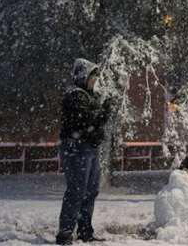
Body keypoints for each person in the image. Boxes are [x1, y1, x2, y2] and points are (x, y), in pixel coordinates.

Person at [56, 59, 112, 244]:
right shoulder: (75, 95)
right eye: (92, 75)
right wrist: (102, 113)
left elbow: (96, 122)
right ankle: (65, 233)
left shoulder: (90, 96)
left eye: (96, 75)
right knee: (77, 190)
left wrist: (102, 114)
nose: (95, 79)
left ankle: (85, 230)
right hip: (76, 148)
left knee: (91, 190)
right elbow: (86, 120)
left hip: (90, 148)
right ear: (83, 75)